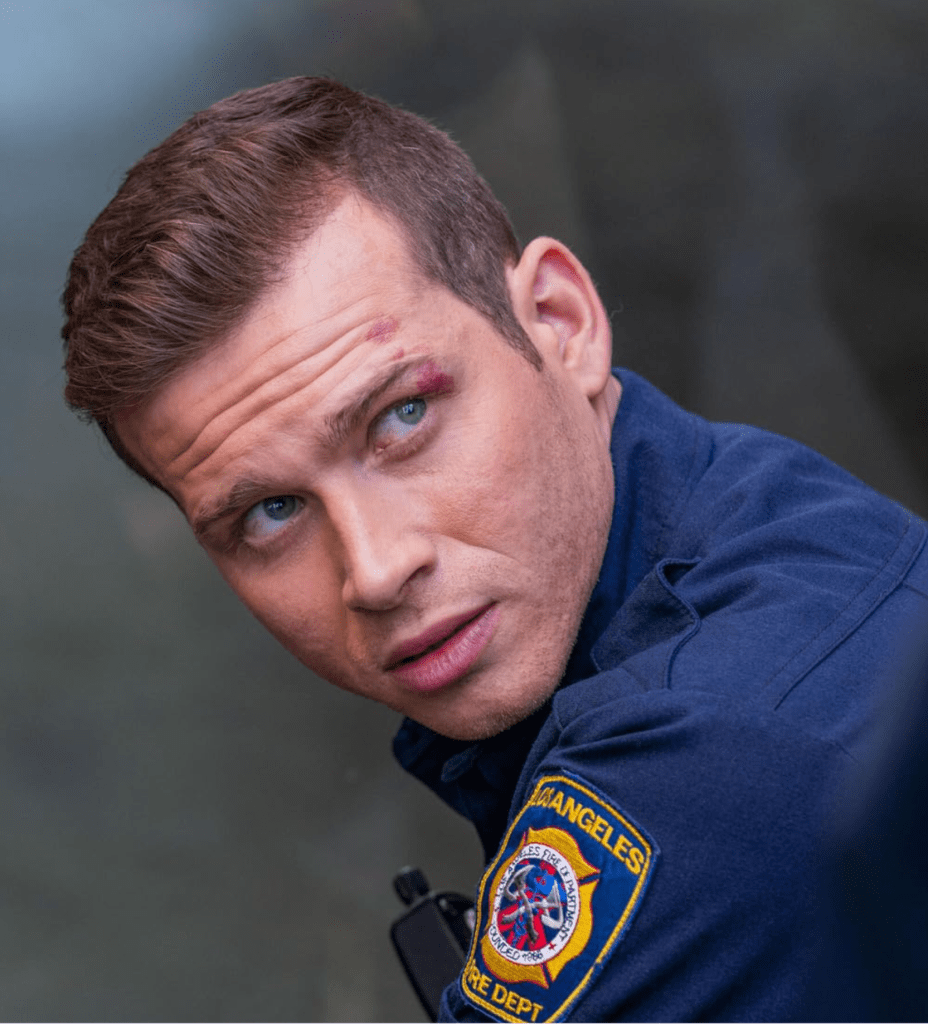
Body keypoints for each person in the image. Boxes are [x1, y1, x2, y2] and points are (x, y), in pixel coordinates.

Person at [62, 77, 928, 1022]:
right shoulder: (744, 499)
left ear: (560, 322)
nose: (375, 570)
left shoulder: (700, 774)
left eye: (403, 416)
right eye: (271, 513)